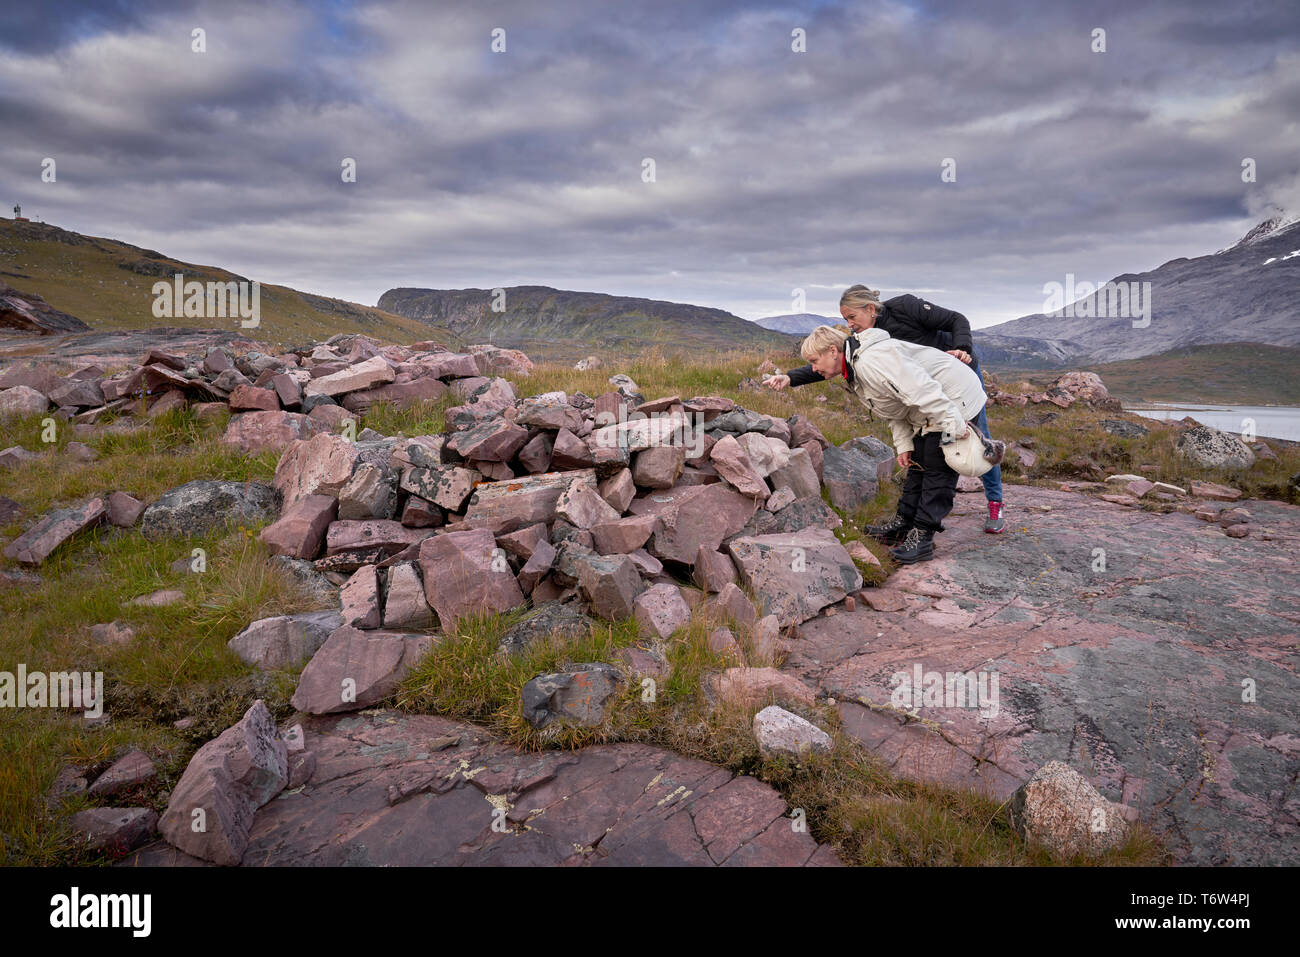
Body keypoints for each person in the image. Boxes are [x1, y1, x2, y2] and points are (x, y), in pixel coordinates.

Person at [767, 285, 1005, 533]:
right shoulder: (863, 345)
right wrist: (791, 377)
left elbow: (957, 319)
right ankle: (908, 523)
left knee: (973, 441)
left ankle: (994, 502)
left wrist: (962, 349)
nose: (850, 324)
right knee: (923, 454)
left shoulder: (905, 308)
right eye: (845, 319)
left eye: (852, 317)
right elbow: (833, 363)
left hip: (953, 373)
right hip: (919, 391)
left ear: (870, 308)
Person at [793, 324, 991, 564]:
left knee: (937, 467)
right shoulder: (854, 367)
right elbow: (893, 406)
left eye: (815, 360)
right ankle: (903, 525)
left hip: (954, 399)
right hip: (932, 406)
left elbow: (923, 390)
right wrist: (905, 443)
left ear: (833, 351)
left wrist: (955, 425)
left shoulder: (872, 362)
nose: (813, 369)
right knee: (918, 462)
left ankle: (922, 538)